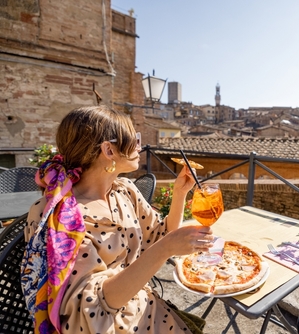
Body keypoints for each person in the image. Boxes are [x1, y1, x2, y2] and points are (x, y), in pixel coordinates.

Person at [20, 105, 213, 334]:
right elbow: (89, 311)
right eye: (134, 138)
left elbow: (160, 236)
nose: (139, 145)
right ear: (109, 150)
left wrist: (180, 193)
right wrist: (165, 249)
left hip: (145, 308)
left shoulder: (124, 191)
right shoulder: (62, 217)